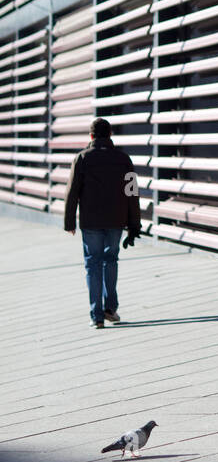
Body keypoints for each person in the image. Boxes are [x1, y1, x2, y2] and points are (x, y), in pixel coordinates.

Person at [64, 118, 141, 328]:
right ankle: (111, 308)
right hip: (116, 220)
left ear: (91, 137)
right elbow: (132, 193)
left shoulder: (82, 158)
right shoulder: (124, 159)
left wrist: (69, 221)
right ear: (110, 135)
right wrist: (135, 224)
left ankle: (96, 316)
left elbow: (72, 192)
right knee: (111, 260)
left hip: (90, 221)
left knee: (92, 264)